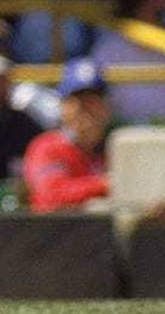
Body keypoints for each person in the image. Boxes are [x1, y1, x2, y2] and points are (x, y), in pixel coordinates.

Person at [22, 58, 111, 212]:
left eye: (93, 101)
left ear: (105, 106)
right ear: (63, 107)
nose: (87, 110)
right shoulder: (47, 146)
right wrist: (105, 184)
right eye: (79, 101)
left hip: (105, 232)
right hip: (55, 233)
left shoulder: (114, 145)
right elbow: (50, 196)